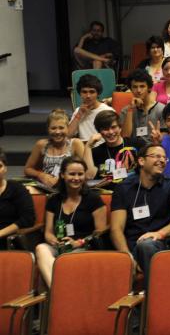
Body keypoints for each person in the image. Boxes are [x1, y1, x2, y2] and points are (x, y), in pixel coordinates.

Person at [110, 143, 170, 280]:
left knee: (146, 245)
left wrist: (160, 233)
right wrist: (127, 257)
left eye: (164, 158)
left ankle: (156, 297)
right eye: (156, 156)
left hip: (161, 244)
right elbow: (116, 228)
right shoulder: (123, 188)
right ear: (141, 161)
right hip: (131, 246)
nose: (161, 160)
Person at [35, 157, 106, 287]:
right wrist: (54, 241)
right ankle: (57, 289)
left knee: (67, 259)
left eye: (80, 174)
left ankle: (58, 292)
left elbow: (100, 233)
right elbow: (48, 233)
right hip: (60, 246)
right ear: (62, 175)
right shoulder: (54, 200)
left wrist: (78, 243)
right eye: (72, 174)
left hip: (84, 247)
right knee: (41, 248)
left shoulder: (94, 200)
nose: (76, 178)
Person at [24, 109, 85, 187]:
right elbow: (27, 169)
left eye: (61, 128)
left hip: (70, 187)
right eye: (53, 128)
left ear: (67, 128)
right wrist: (41, 175)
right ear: (48, 129)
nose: (57, 132)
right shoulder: (41, 145)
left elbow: (86, 171)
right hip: (47, 187)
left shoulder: (75, 144)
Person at [84, 110, 141, 180]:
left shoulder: (136, 144)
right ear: (99, 132)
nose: (110, 132)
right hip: (108, 190)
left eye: (113, 127)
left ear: (120, 128)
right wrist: (88, 146)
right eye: (105, 129)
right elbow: (89, 176)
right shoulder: (96, 152)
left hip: (134, 189)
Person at [0, 148, 35, 249]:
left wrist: (1, 233)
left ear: (5, 168)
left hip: (8, 238)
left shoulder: (16, 189)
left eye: (0, 166)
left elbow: (28, 219)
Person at [121, 69, 165, 145]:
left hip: (154, 148)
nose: (138, 90)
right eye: (135, 87)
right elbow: (125, 137)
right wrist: (131, 109)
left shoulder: (161, 109)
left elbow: (164, 137)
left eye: (142, 86)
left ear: (149, 88)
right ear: (130, 89)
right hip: (132, 150)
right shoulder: (126, 110)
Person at [67, 74, 114, 141]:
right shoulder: (78, 111)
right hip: (83, 148)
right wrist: (79, 114)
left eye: (92, 92)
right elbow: (68, 135)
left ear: (98, 93)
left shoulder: (108, 111)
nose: (88, 96)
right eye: (84, 92)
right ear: (80, 94)